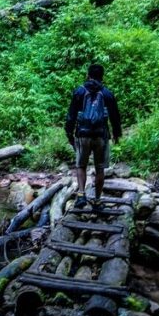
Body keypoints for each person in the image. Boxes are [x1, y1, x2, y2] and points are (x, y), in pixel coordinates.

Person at [65, 63, 122, 209]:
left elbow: (71, 115)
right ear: (102, 76)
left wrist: (69, 133)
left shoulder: (79, 91)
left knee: (81, 165)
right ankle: (97, 200)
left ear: (88, 75)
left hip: (83, 134)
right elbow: (115, 116)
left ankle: (81, 195)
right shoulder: (107, 93)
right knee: (100, 168)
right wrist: (116, 134)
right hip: (101, 135)